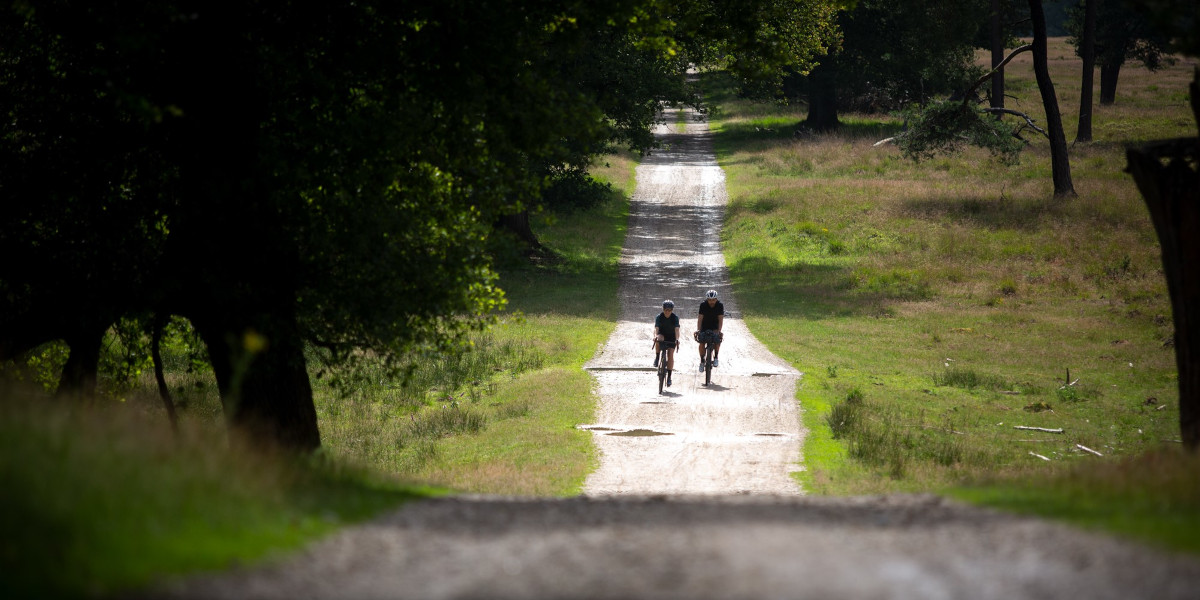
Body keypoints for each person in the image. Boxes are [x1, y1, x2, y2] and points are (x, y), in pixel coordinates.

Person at [652, 300, 681, 386]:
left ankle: (669, 377)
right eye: (666, 310)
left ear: (672, 310)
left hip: (671, 337)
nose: (667, 312)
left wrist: (677, 339)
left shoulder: (675, 318)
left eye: (669, 310)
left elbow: (677, 329)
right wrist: (655, 336)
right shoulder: (659, 317)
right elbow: (656, 328)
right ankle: (657, 357)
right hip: (662, 335)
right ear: (663, 309)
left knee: (670, 354)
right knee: (658, 339)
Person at [696, 289, 724, 371]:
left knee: (717, 340)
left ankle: (716, 357)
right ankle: (702, 361)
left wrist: (719, 330)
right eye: (709, 300)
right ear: (707, 299)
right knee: (701, 342)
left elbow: (720, 319)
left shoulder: (720, 305)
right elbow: (700, 318)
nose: (711, 302)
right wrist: (698, 330)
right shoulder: (703, 305)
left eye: (713, 300)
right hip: (704, 326)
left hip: (715, 326)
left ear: (716, 299)